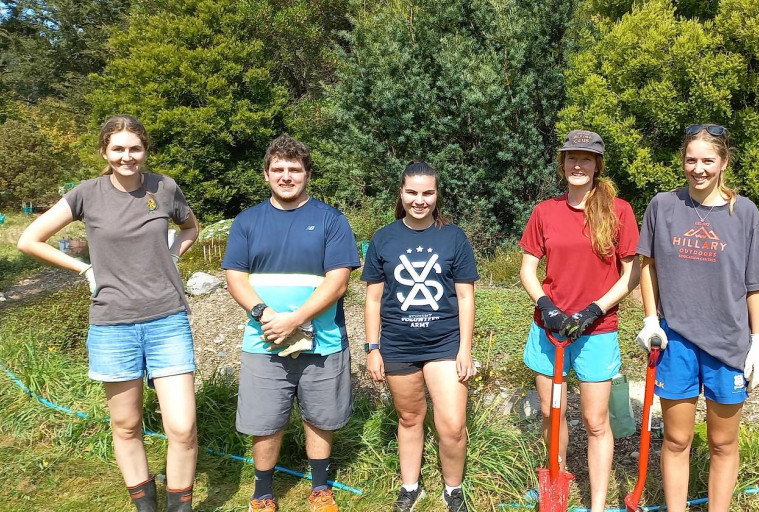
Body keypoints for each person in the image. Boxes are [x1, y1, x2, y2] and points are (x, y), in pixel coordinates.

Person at [17, 115, 199, 512]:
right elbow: (29, 240)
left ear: (145, 150)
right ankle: (146, 506)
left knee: (182, 427)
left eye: (135, 148)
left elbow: (190, 228)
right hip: (112, 324)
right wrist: (84, 269)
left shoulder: (164, 188)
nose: (127, 156)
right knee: (127, 425)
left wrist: (172, 253)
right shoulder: (86, 194)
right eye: (117, 148)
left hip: (167, 318)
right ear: (105, 151)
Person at [222, 134, 360, 512]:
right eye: (278, 169)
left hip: (324, 340)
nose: (286, 176)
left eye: (294, 170)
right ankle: (262, 494)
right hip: (263, 341)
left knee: (321, 416)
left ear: (307, 175)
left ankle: (320, 489)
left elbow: (339, 281)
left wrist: (296, 320)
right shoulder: (247, 222)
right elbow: (235, 277)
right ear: (266, 174)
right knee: (265, 420)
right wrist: (265, 315)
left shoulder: (331, 220)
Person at [635, 124, 759, 512]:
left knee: (723, 442)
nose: (699, 169)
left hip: (729, 344)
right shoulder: (663, 205)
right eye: (691, 160)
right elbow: (648, 266)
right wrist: (650, 319)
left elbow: (757, 284)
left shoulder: (744, 213)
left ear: (723, 162)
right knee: (676, 440)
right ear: (683, 161)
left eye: (708, 160)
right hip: (675, 341)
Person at [518, 130, 640, 512]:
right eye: (571, 157)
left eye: (586, 158)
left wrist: (594, 310)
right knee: (550, 411)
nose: (578, 164)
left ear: (597, 165)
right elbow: (527, 269)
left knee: (595, 419)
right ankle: (556, 488)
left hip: (596, 331)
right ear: (563, 162)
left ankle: (598, 505)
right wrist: (546, 305)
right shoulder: (545, 211)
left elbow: (630, 274)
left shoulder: (618, 210)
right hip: (550, 332)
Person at [363, 161, 479, 512]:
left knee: (453, 425)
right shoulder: (383, 238)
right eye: (412, 192)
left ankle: (452, 490)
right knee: (410, 418)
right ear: (401, 193)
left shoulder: (453, 237)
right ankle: (410, 487)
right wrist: (373, 348)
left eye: (427, 193)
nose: (420, 200)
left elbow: (465, 297)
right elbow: (372, 299)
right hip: (398, 345)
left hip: (445, 344)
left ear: (436, 194)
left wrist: (465, 349)